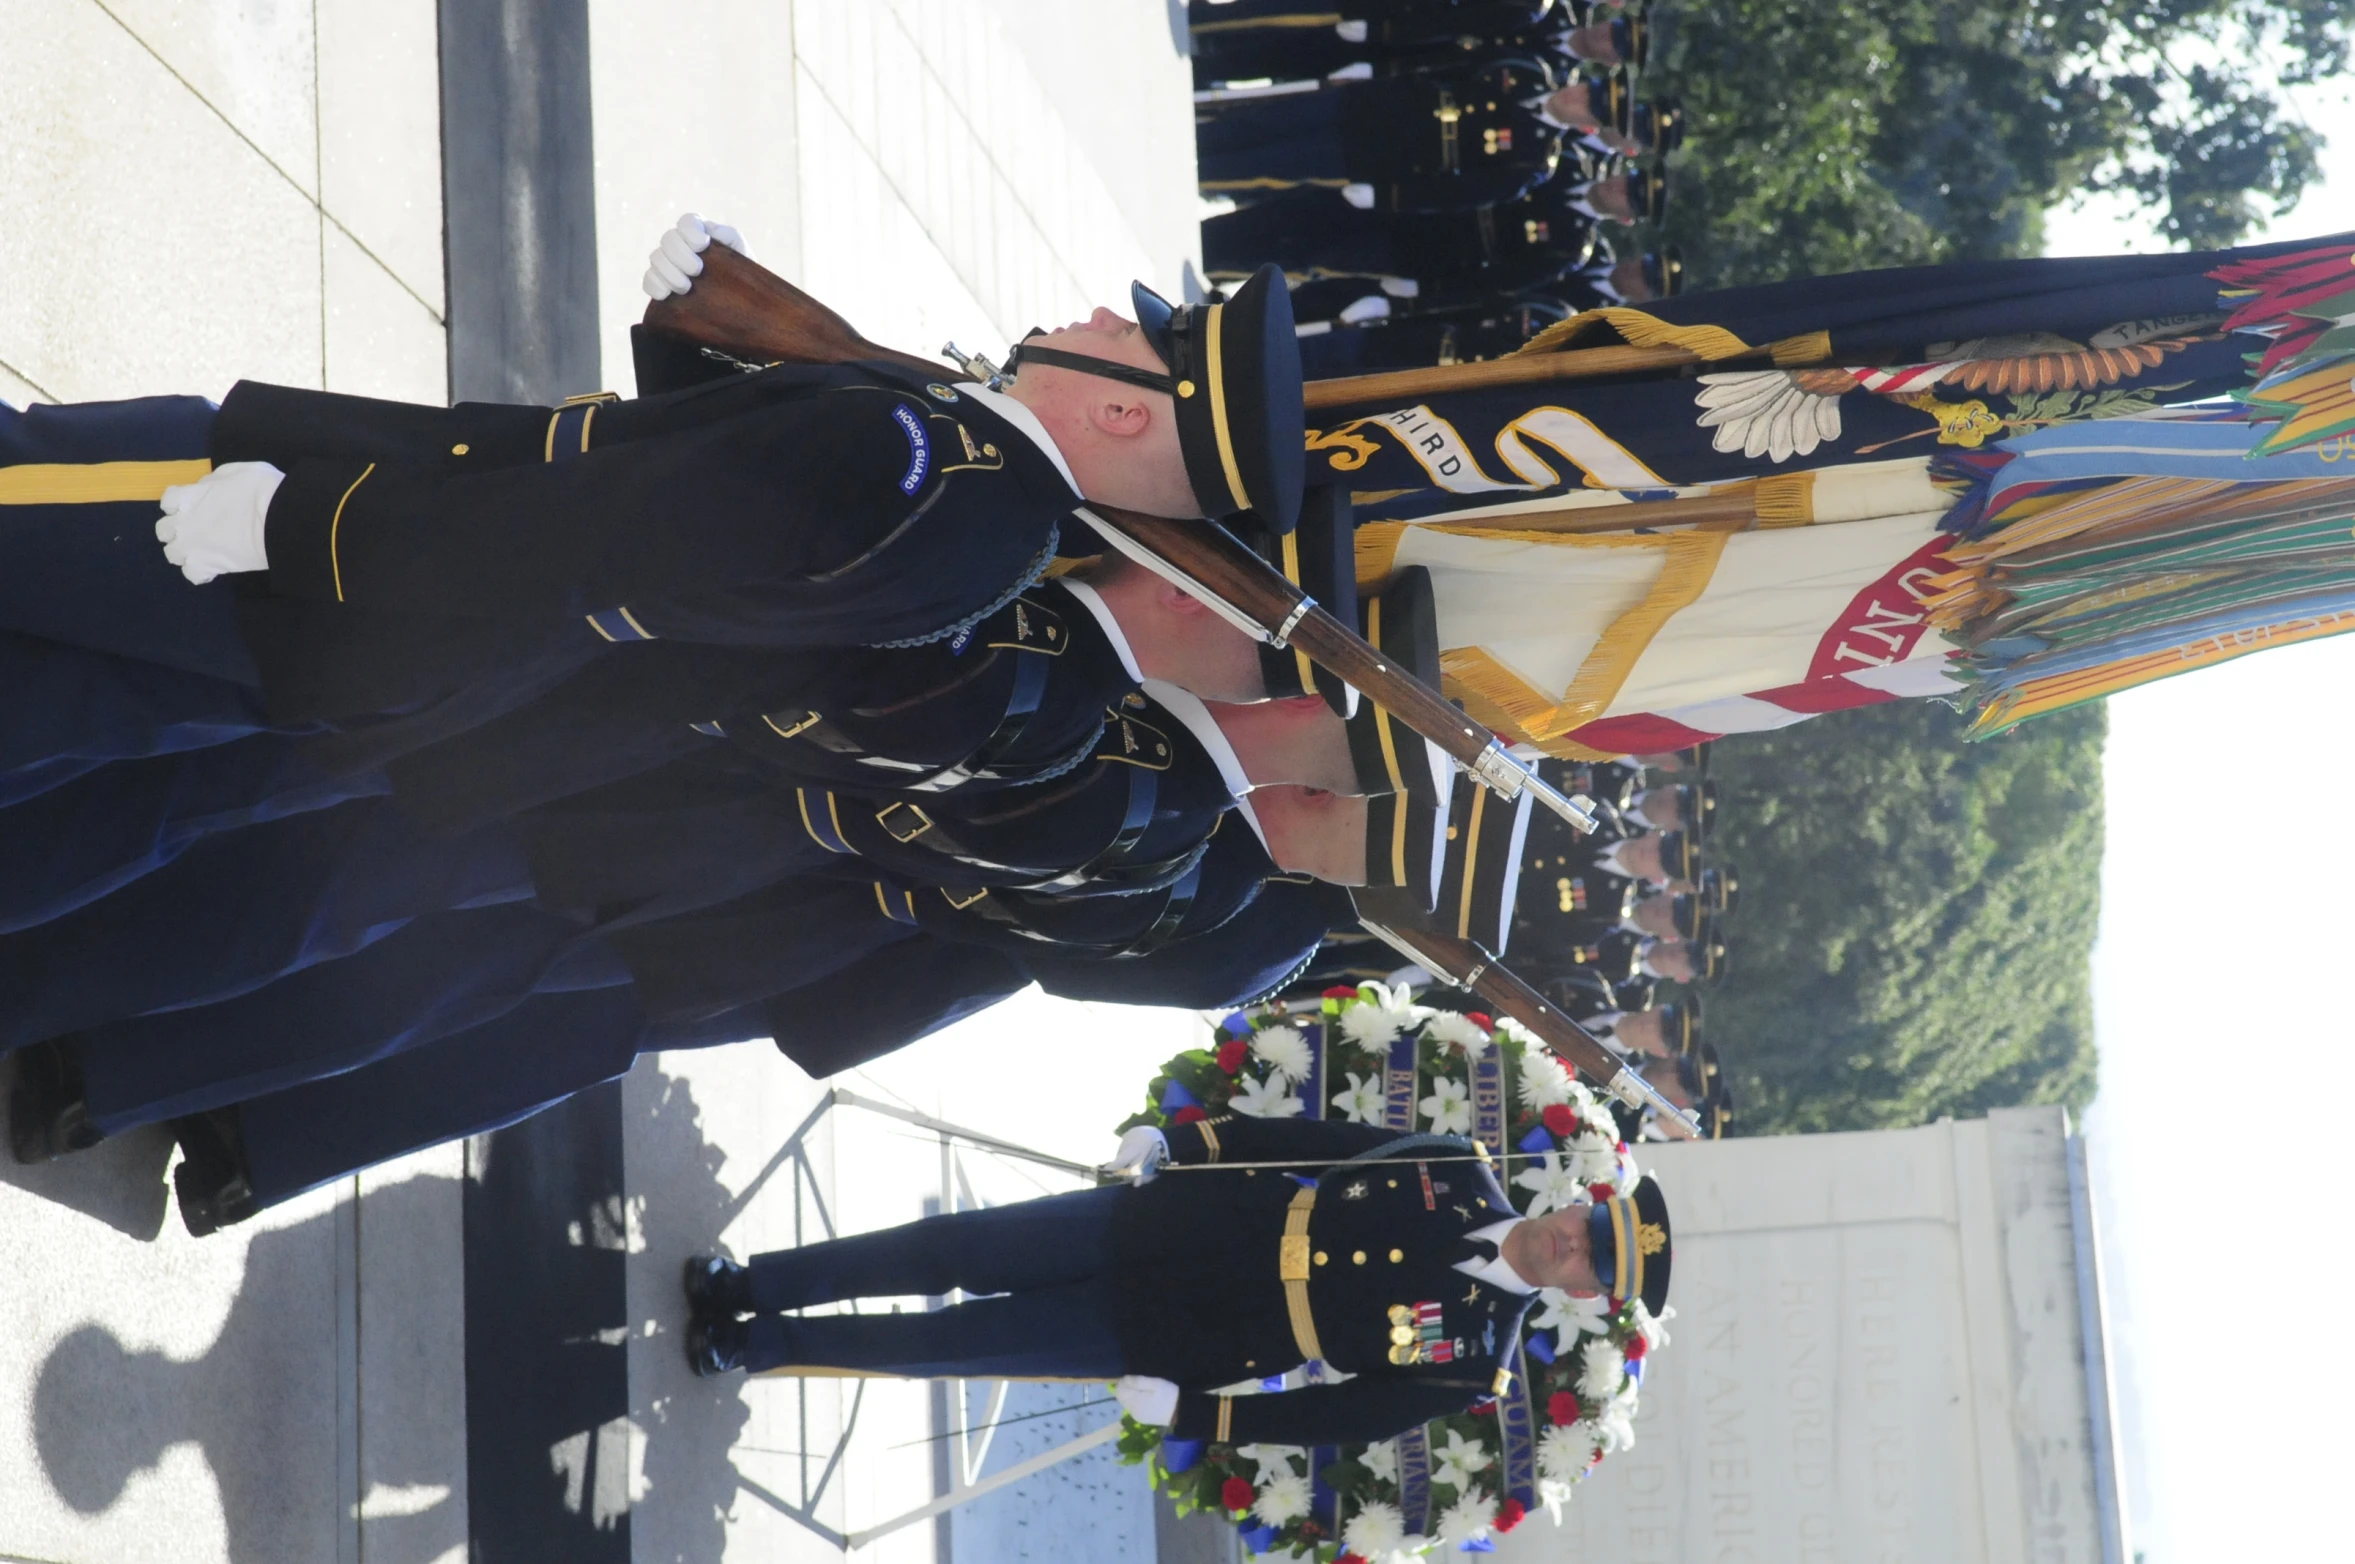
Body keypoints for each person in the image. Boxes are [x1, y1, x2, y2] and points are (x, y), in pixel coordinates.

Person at [680, 1112, 1673, 1447]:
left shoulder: (1472, 1367)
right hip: (1167, 1221)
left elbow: (1333, 1422)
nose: (1571, 1247)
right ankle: (752, 1283)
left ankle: (758, 1343)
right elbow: (1307, 1141)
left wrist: (1199, 1413)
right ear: (1578, 1199)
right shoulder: (1453, 1163)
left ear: (1584, 1297)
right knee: (947, 1249)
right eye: (1589, 1227)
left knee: (948, 1344)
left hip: (1191, 1333)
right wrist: (1182, 1137)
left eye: (1592, 1262)